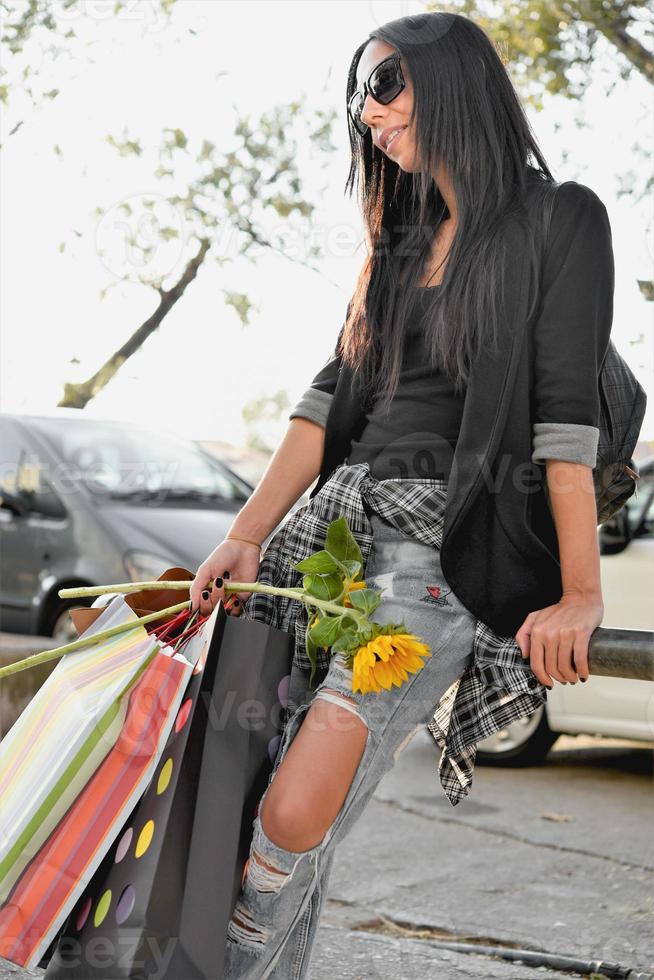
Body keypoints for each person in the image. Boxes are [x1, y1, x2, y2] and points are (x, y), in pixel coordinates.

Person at [189, 11, 613, 978]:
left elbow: (564, 424)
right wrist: (246, 533)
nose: (367, 113)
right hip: (322, 547)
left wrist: (581, 591)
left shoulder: (561, 220)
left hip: (432, 568)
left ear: (454, 79)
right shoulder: (400, 238)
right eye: (359, 97)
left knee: (296, 806)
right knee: (253, 799)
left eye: (385, 85)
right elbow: (329, 397)